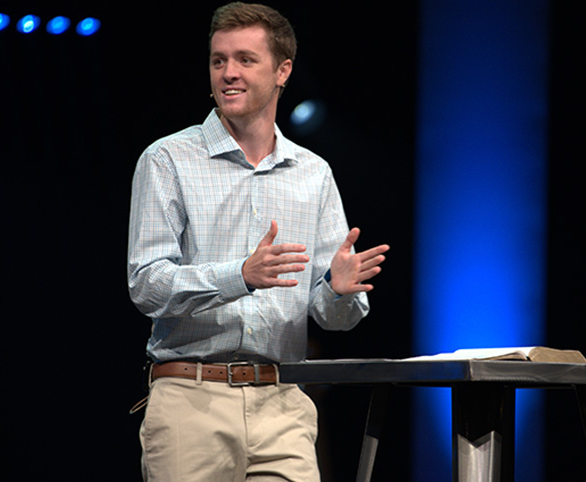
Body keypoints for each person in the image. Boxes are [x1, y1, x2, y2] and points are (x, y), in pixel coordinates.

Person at [127, 3, 390, 480]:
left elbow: (334, 317)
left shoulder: (313, 174)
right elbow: (146, 286)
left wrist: (339, 291)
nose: (229, 73)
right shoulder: (168, 159)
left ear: (282, 71)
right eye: (218, 60)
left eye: (245, 60)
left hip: (283, 404)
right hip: (191, 400)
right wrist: (240, 276)